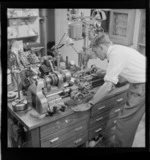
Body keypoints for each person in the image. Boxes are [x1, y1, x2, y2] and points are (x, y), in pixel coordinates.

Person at [75, 33, 146, 147]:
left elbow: (108, 86)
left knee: (124, 123)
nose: (96, 56)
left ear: (101, 47)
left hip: (141, 86)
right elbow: (122, 76)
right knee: (130, 122)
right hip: (139, 84)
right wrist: (105, 74)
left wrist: (90, 103)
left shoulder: (115, 54)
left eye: (95, 51)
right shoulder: (117, 49)